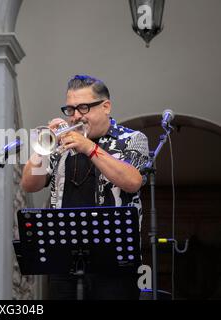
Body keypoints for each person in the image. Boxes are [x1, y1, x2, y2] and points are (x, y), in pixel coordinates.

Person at [21, 75, 149, 300]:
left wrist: (89, 148)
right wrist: (43, 148)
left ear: (106, 106)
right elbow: (30, 184)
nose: (76, 116)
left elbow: (133, 181)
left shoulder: (132, 139)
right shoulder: (62, 144)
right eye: (70, 110)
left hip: (116, 264)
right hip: (64, 261)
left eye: (83, 108)